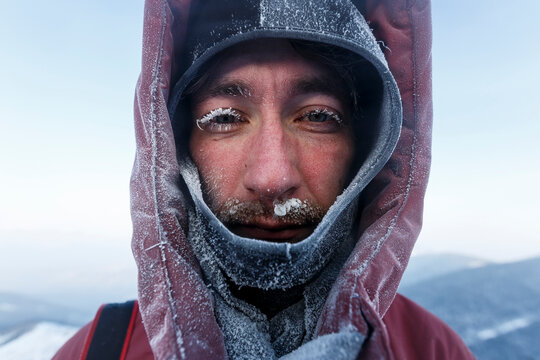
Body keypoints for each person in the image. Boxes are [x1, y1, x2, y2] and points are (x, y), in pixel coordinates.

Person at [54, 0, 475, 359]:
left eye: (316, 116)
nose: (272, 179)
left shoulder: (432, 349)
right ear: (177, 144)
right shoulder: (99, 349)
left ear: (367, 148)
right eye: (224, 118)